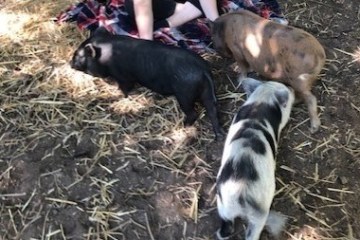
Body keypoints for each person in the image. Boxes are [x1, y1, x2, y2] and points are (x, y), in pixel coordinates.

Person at [125, 0, 220, 40]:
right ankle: (189, 11)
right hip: (161, 5)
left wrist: (216, 25)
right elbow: (141, 3)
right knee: (132, 6)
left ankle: (217, 26)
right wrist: (146, 42)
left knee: (210, 8)